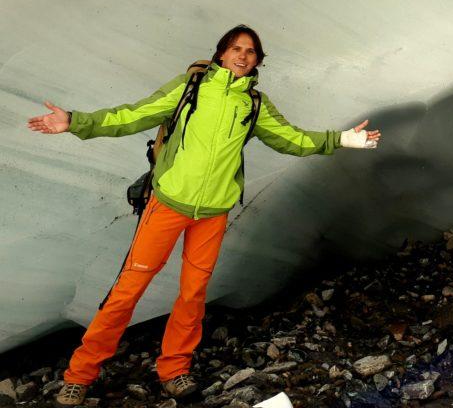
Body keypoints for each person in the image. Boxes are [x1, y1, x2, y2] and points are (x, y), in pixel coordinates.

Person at [27, 25, 381, 406]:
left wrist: (340, 140)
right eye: (235, 48)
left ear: (258, 60)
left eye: (250, 51)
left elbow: (290, 138)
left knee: (193, 294)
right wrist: (76, 121)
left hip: (212, 212)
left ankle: (175, 370)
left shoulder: (254, 104)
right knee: (127, 291)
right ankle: (80, 375)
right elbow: (133, 115)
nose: (242, 55)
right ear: (221, 53)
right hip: (167, 205)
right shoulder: (191, 87)